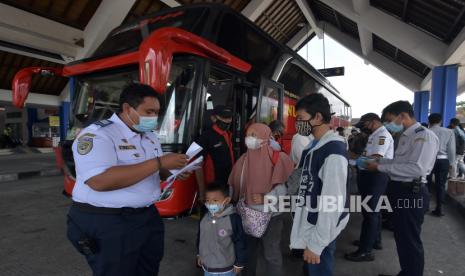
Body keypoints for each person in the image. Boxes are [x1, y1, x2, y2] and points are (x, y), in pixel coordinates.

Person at [67, 83, 190, 276]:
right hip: (108, 220)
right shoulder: (97, 134)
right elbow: (99, 181)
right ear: (127, 108)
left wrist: (171, 171)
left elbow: (154, 172)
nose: (153, 118)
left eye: (157, 112)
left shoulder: (149, 136)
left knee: (148, 267)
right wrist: (160, 162)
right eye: (148, 111)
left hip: (147, 216)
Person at [365, 101, 439, 276]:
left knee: (410, 240)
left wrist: (380, 167)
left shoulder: (423, 136)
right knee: (401, 236)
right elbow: (399, 163)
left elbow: (417, 168)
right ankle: (406, 272)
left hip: (411, 192)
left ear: (403, 116)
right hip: (400, 190)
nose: (389, 124)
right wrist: (379, 161)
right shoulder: (406, 136)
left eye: (390, 120)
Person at [290, 93, 349, 276]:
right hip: (309, 224)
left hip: (320, 230)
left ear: (318, 117)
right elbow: (298, 180)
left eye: (301, 118)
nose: (298, 123)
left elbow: (333, 202)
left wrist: (316, 245)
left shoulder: (333, 152)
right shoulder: (312, 147)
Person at [228, 123, 294, 276]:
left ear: (265, 136)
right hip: (248, 214)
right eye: (248, 134)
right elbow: (234, 183)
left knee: (271, 254)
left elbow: (288, 187)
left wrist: (267, 198)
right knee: (249, 251)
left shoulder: (280, 158)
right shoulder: (244, 159)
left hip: (273, 216)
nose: (249, 139)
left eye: (254, 135)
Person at [345, 113, 394, 262]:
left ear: (373, 122)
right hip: (371, 176)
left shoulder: (382, 135)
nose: (364, 127)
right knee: (373, 211)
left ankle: (365, 251)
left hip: (375, 176)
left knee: (370, 213)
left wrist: (353, 160)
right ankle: (373, 240)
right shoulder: (375, 134)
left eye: (365, 124)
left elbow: (375, 159)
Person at [197, 182, 247, 276]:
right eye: (208, 200)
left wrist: (239, 263)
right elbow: (200, 236)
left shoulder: (233, 219)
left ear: (227, 200)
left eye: (215, 200)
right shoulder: (205, 217)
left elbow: (240, 241)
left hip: (226, 268)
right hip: (208, 265)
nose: (210, 203)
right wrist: (199, 254)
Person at [195, 105, 235, 200]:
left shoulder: (228, 134)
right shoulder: (205, 137)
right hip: (213, 187)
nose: (228, 120)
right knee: (213, 212)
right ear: (213, 118)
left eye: (229, 117)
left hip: (227, 183)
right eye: (224, 117)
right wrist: (202, 190)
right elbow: (197, 164)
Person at [427, 113, 455, 217]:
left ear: (429, 121)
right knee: (441, 185)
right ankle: (439, 209)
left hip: (428, 160)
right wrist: (452, 163)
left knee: (426, 183)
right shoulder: (449, 132)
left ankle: (425, 207)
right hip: (443, 161)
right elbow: (451, 150)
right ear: (441, 121)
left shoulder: (426, 131)